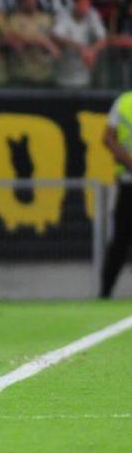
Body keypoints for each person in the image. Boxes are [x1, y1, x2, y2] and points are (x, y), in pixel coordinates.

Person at [101, 90, 132, 298]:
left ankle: (105, 292)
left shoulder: (124, 101)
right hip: (129, 183)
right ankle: (105, 292)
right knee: (120, 239)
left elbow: (108, 138)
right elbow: (108, 138)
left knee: (120, 239)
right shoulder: (124, 102)